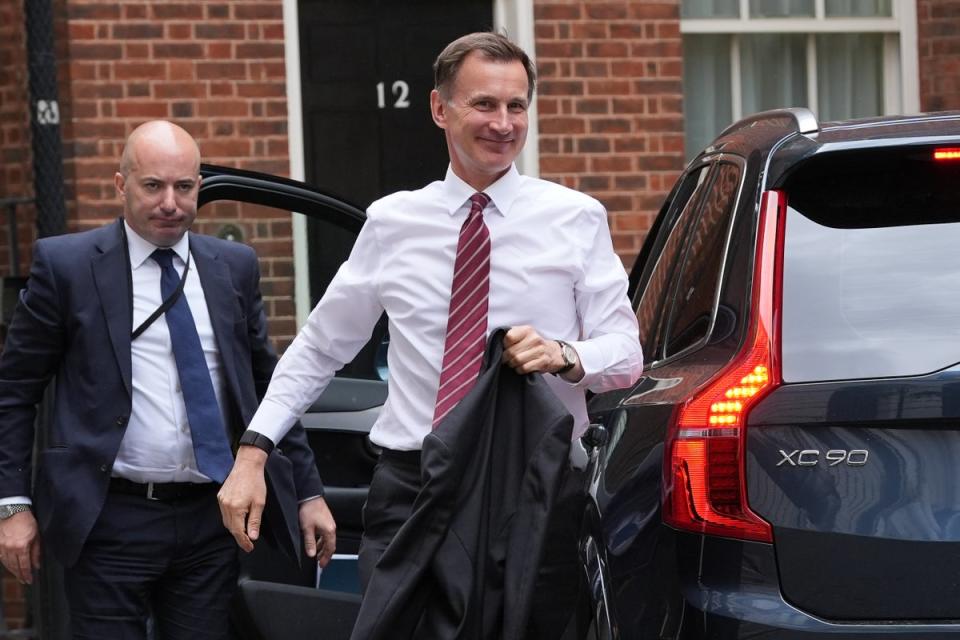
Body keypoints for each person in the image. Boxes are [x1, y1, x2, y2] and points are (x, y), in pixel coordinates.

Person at [218, 32, 643, 637]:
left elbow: (627, 355)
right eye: (484, 105)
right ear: (440, 109)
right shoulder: (393, 222)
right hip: (411, 488)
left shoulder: (575, 218)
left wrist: (563, 353)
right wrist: (253, 451)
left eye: (516, 106)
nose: (503, 123)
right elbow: (321, 347)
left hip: (529, 489)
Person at [0, 120, 336, 640]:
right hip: (106, 517)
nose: (170, 203)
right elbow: (14, 392)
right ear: (121, 184)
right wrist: (13, 505)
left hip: (211, 518)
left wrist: (307, 492)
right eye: (153, 186)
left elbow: (269, 389)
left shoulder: (233, 267)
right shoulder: (67, 267)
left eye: (185, 186)